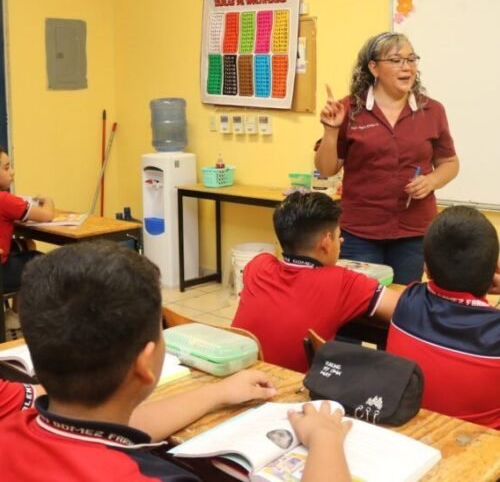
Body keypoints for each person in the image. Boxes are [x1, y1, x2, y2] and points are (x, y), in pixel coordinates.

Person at [0, 241, 350, 480]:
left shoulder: (13, 426)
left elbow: (113, 420)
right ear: (145, 362)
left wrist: (217, 393)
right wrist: (325, 440)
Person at [314, 32, 459, 284]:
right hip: (360, 233)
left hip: (414, 232)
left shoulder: (432, 110)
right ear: (373, 68)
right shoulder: (348, 108)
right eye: (396, 60)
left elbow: (449, 163)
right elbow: (326, 169)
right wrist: (331, 131)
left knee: (402, 302)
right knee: (361, 305)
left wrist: (432, 181)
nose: (407, 67)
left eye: (411, 59)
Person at [232, 191, 399, 372]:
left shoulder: (258, 264)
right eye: (338, 236)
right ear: (326, 242)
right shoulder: (342, 281)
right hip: (290, 391)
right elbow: (402, 308)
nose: (341, 241)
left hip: (237, 377)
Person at [387, 206, 500, 429]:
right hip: (482, 454)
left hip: (408, 435)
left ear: (426, 269)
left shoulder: (408, 299)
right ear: (494, 269)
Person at [0, 146, 55, 330]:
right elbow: (46, 215)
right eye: (6, 168)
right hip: (2, 270)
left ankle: (15, 315)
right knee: (41, 262)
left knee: (27, 244)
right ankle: (36, 320)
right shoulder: (5, 200)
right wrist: (48, 200)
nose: (12, 172)